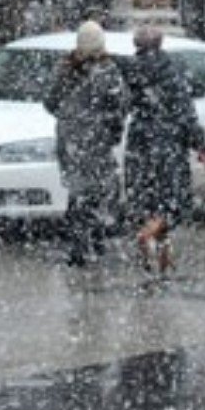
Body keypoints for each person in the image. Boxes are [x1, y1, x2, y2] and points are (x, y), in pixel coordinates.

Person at [122, 26, 205, 274]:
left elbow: (121, 105)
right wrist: (199, 144)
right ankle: (150, 236)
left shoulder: (130, 70)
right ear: (160, 45)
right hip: (168, 143)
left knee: (144, 198)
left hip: (139, 142)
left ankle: (156, 254)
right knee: (171, 202)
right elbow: (186, 112)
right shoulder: (172, 70)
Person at [43, 21, 129, 266]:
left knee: (78, 191)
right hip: (95, 141)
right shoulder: (108, 72)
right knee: (97, 190)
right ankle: (94, 241)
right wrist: (111, 132)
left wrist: (69, 117)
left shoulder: (65, 68)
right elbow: (119, 108)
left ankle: (80, 245)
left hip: (70, 139)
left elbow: (49, 102)